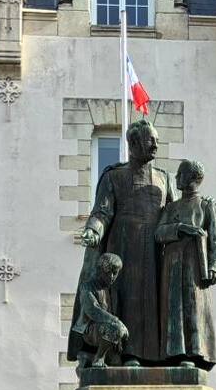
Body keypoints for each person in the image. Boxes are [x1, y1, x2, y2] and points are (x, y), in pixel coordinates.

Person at [72, 117, 175, 366]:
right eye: (151, 140)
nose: (155, 146)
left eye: (157, 141)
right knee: (122, 298)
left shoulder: (164, 178)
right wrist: (93, 231)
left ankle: (146, 355)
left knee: (150, 299)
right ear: (133, 142)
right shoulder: (113, 176)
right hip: (121, 247)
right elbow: (102, 212)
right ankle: (120, 352)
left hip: (153, 249)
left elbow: (172, 212)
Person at [154, 158, 216, 368]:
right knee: (173, 307)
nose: (176, 178)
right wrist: (181, 228)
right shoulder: (171, 207)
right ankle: (174, 353)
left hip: (195, 265)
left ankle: (195, 353)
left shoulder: (206, 206)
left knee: (194, 307)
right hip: (172, 264)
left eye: (180, 174)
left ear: (193, 178)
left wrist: (214, 267)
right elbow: (159, 233)